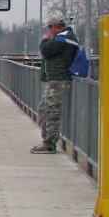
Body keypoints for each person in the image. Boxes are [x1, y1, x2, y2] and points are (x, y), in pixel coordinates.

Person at [33, 16, 79, 154]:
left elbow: (45, 50)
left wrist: (45, 40)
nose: (48, 31)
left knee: (52, 111)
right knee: (44, 109)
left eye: (49, 28)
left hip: (58, 80)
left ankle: (50, 144)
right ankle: (47, 140)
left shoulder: (63, 38)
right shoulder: (64, 37)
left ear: (54, 27)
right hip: (54, 79)